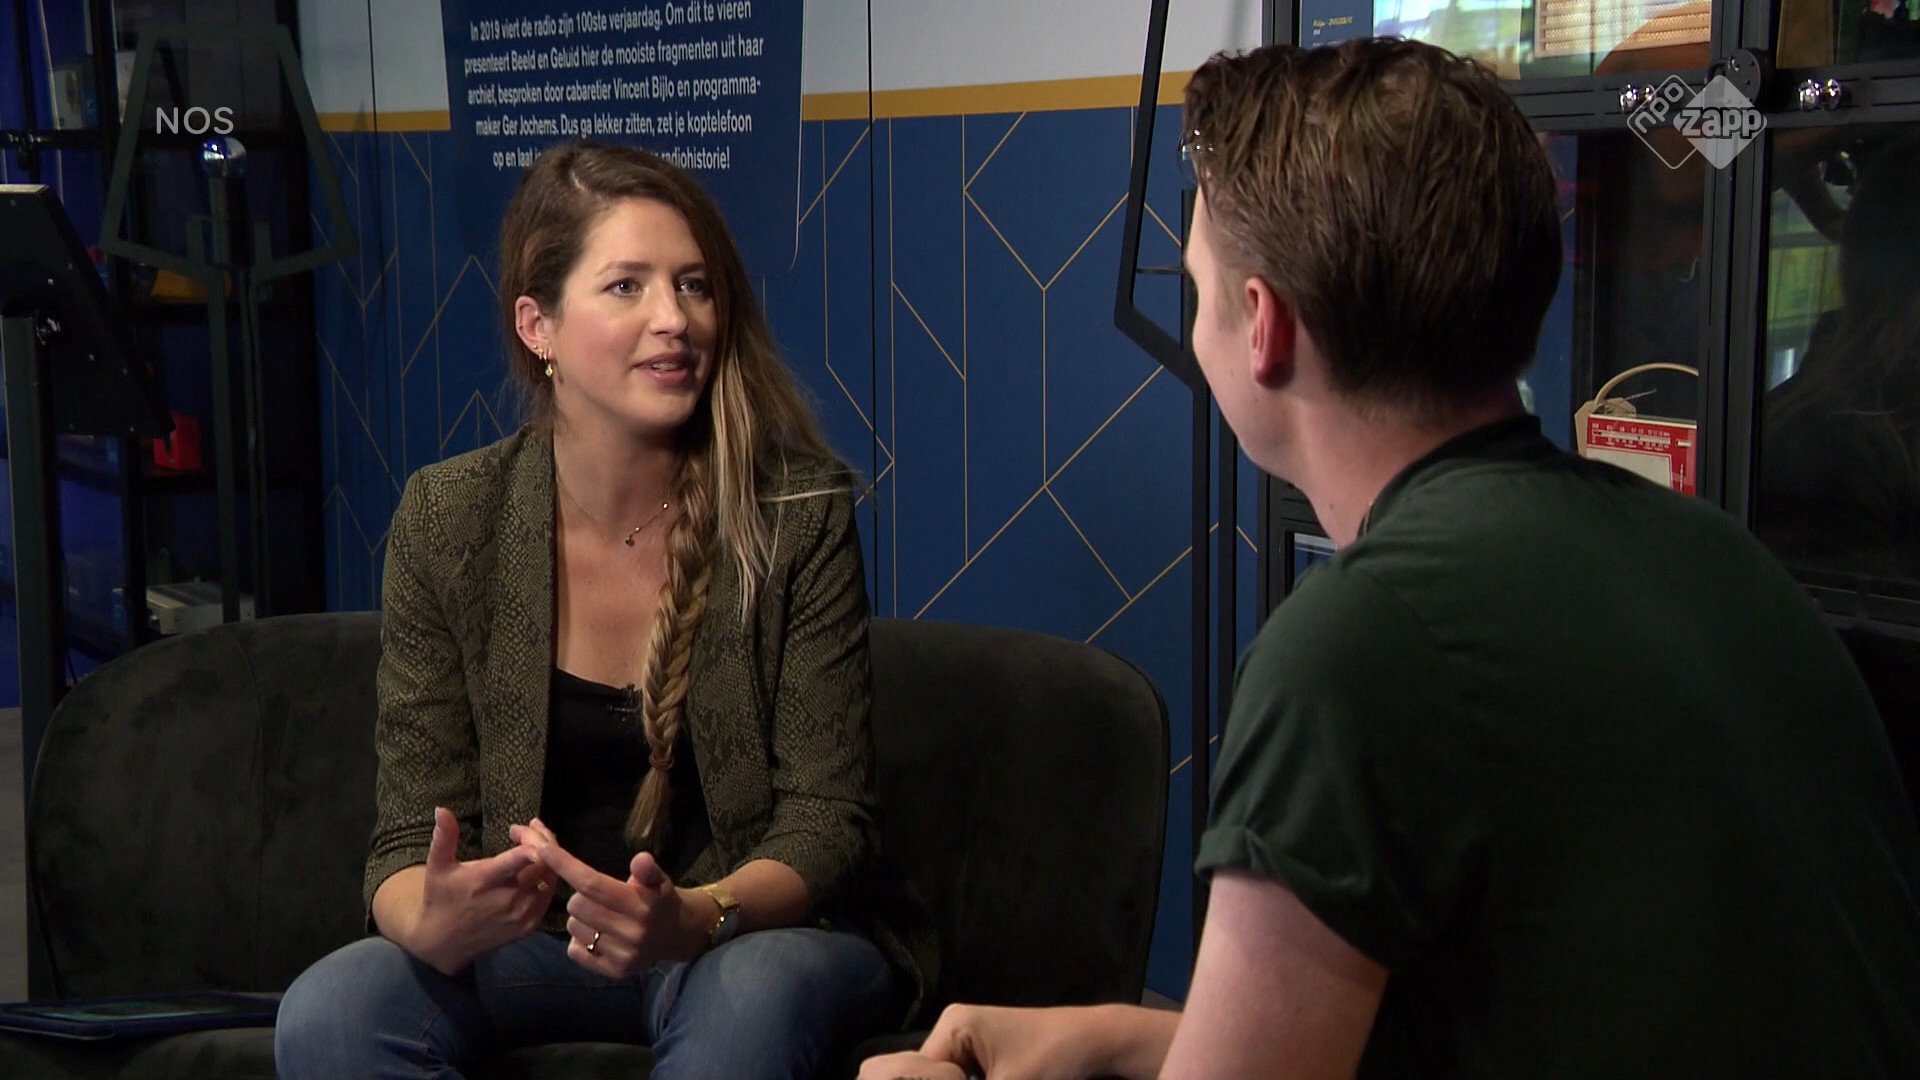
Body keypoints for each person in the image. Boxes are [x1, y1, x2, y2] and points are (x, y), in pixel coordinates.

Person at [865, 37, 1920, 1080]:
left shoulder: (1357, 647)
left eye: (1196, 290)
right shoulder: (1716, 558)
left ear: (1262, 326)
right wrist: (1112, 1036)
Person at [275, 140, 936, 1080]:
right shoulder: (449, 517)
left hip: (742, 935)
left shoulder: (795, 512)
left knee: (749, 996)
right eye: (627, 286)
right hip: (536, 944)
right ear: (537, 325)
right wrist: (426, 914)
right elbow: (405, 840)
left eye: (694, 285)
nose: (675, 319)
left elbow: (830, 819)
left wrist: (696, 914)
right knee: (335, 1007)